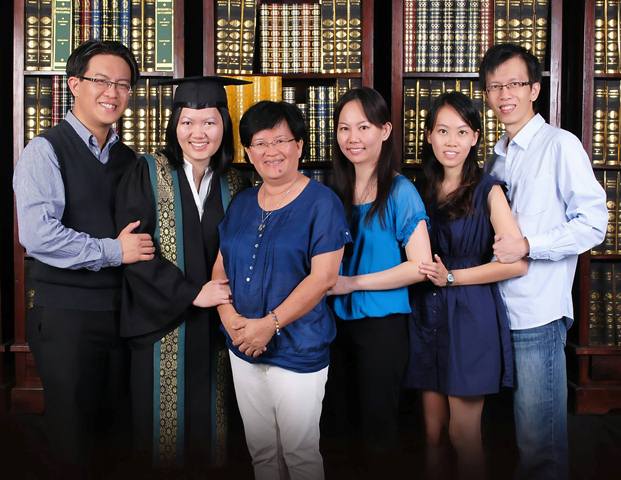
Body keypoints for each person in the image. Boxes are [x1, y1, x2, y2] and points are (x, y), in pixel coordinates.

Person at [12, 40, 153, 474]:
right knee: (72, 440)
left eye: (124, 85)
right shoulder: (46, 150)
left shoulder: (130, 160)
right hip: (65, 316)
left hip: (120, 316)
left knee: (113, 436)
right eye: (102, 81)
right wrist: (115, 251)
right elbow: (38, 237)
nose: (113, 92)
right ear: (74, 84)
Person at [480, 43, 608, 480]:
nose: (504, 95)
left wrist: (529, 244)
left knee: (541, 447)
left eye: (514, 83)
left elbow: (593, 224)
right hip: (494, 313)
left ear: (534, 88)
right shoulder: (496, 155)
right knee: (503, 440)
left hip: (537, 315)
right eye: (494, 86)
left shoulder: (560, 145)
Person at [114, 76, 250, 471]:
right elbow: (135, 251)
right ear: (174, 125)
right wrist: (193, 293)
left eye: (209, 122)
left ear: (224, 124)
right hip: (160, 327)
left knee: (214, 433)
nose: (198, 133)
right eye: (187, 121)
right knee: (162, 440)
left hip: (218, 328)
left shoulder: (237, 181)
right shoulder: (147, 171)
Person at [212, 100, 350, 480]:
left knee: (300, 454)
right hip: (242, 347)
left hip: (298, 348)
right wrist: (231, 320)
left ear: (300, 146)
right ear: (248, 153)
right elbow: (220, 265)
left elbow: (323, 278)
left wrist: (267, 325)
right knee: (261, 453)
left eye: (280, 140)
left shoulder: (323, 203)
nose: (271, 151)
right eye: (259, 143)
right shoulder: (241, 203)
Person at [406, 91, 526, 479]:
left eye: (461, 132)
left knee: (463, 433)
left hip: (471, 314)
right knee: (432, 433)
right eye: (442, 131)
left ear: (475, 137)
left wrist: (453, 277)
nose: (451, 141)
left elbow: (516, 264)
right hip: (426, 314)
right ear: (428, 136)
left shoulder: (489, 190)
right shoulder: (417, 188)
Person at [327, 87, 432, 474]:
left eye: (364, 127)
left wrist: (352, 283)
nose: (353, 138)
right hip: (333, 326)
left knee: (378, 428)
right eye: (344, 128)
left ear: (385, 131)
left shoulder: (401, 191)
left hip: (382, 326)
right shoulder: (331, 190)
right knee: (337, 425)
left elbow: (419, 265)